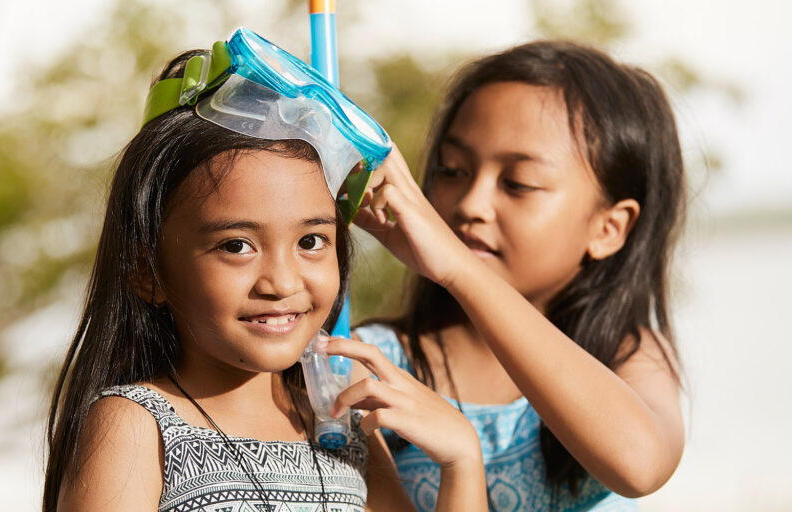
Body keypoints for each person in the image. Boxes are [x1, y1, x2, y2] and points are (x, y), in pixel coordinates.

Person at [42, 28, 488, 512]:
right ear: (146, 271)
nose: (282, 282)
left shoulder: (345, 427)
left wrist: (462, 462)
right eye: (236, 245)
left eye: (311, 242)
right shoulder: (136, 425)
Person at [336, 41, 687, 511]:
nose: (471, 205)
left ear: (609, 228)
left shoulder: (628, 355)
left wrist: (457, 268)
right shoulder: (376, 363)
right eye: (453, 170)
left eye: (518, 183)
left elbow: (639, 464)